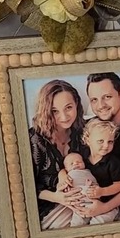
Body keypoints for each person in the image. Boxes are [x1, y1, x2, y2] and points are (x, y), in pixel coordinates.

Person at [71, 72, 120, 222]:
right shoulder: (88, 129)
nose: (101, 105)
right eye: (94, 100)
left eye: (107, 97)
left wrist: (104, 207)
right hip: (89, 196)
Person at [28, 79, 86, 230]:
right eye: (55, 111)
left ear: (77, 105)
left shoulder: (83, 131)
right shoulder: (34, 140)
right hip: (49, 205)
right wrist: (57, 197)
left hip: (83, 196)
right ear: (46, 111)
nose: (64, 116)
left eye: (68, 107)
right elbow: (24, 187)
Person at [60, 119, 120, 227]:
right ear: (88, 140)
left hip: (107, 202)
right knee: (77, 223)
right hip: (84, 200)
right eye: (101, 141)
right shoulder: (81, 157)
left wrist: (102, 191)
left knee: (99, 222)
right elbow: (66, 166)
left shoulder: (113, 162)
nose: (106, 146)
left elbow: (119, 184)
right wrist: (62, 176)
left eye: (110, 142)